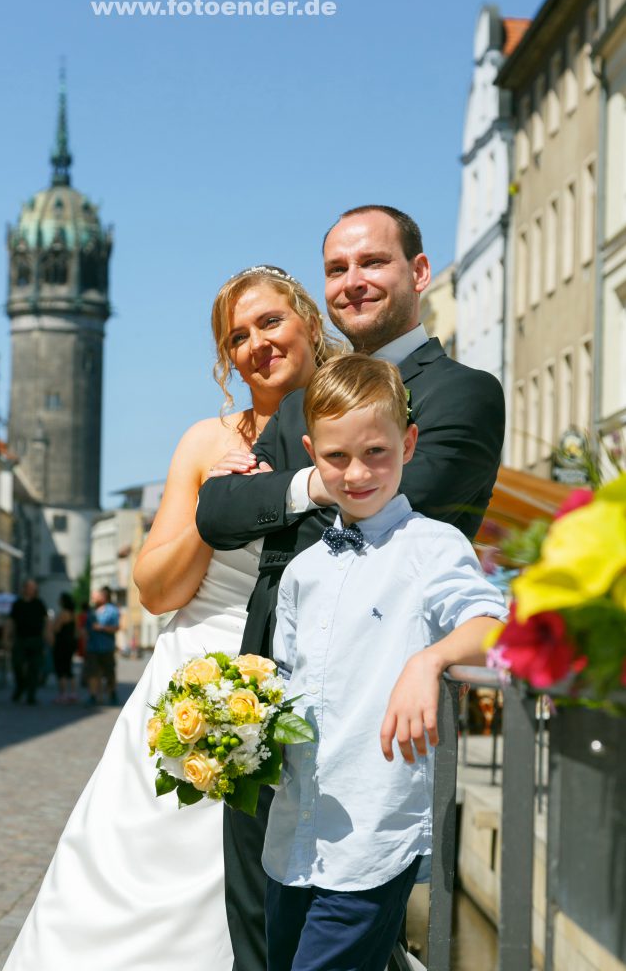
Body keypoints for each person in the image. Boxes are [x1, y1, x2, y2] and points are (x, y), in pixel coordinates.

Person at [195, 205, 506, 971]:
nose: (352, 282)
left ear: (418, 273)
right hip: (264, 711)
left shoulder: (463, 391)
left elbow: (407, 510)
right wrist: (303, 486)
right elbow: (218, 511)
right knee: (257, 935)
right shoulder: (304, 397)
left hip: (373, 732)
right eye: (336, 268)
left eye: (372, 263)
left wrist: (283, 491)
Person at [1, 265, 338, 971]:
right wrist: (218, 509)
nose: (256, 344)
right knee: (131, 859)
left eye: (270, 322)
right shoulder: (206, 440)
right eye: (236, 336)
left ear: (306, 320)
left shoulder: (350, 424)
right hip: (192, 674)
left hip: (304, 682)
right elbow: (154, 589)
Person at [263, 354, 508, 971]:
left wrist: (429, 661)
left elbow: (489, 625)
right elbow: (286, 682)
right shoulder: (302, 570)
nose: (357, 473)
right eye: (337, 457)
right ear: (311, 453)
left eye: (376, 452)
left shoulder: (431, 546)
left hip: (372, 833)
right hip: (294, 833)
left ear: (409, 443)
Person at [8, 580, 48, 706]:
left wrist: (48, 635)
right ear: (24, 589)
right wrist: (6, 637)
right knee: (17, 664)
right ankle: (20, 686)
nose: (31, 590)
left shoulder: (39, 603)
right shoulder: (17, 604)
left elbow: (46, 620)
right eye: (29, 587)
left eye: (33, 588)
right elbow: (11, 621)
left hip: (36, 639)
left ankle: (31, 694)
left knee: (34, 667)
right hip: (20, 639)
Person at [84, 586, 120, 706]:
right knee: (93, 672)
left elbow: (116, 627)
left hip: (107, 647)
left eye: (96, 595)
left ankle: (112, 693)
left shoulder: (112, 610)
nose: (93, 598)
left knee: (109, 673)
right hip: (92, 647)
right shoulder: (91, 611)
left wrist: (102, 628)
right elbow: (87, 629)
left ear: (103, 597)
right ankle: (93, 696)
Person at [51, 592, 78, 704]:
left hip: (61, 643)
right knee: (69, 669)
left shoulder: (62, 614)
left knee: (61, 669)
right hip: (70, 643)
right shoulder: (73, 614)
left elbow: (56, 628)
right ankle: (73, 694)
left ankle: (63, 695)